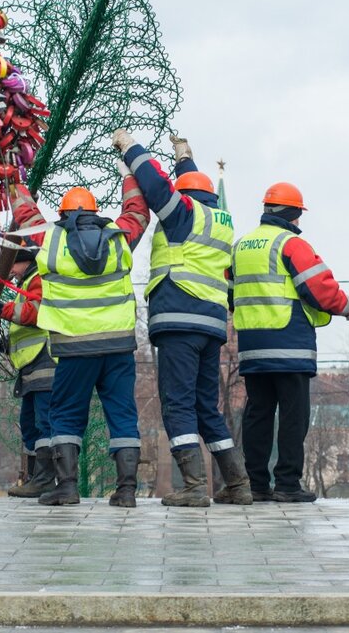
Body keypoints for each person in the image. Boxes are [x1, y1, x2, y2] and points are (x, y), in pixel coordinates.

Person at [114, 129, 251, 506]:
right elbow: (186, 181)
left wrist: (131, 150)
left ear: (184, 194)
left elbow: (155, 185)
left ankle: (193, 486)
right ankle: (238, 484)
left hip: (178, 319)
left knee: (177, 404)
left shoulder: (182, 215)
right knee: (207, 406)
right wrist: (183, 156)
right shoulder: (219, 220)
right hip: (211, 324)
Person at [7, 169, 150, 507]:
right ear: (95, 213)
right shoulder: (118, 237)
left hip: (73, 347)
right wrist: (129, 175)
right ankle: (127, 491)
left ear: (63, 215)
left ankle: (67, 488)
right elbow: (137, 213)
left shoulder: (50, 238)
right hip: (118, 346)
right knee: (123, 414)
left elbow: (25, 213)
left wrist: (12, 176)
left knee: (66, 415)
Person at [230, 182, 349, 502]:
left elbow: (231, 295)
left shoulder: (241, 246)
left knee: (257, 413)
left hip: (252, 347)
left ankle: (256, 484)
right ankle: (287, 483)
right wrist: (347, 307)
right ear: (294, 214)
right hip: (289, 345)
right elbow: (320, 288)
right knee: (292, 415)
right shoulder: (291, 244)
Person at [0, 240, 57, 498]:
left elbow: (36, 313)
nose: (10, 271)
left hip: (45, 363)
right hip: (32, 365)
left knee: (44, 423)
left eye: (12, 264)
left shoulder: (39, 277)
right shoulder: (27, 281)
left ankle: (45, 479)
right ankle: (37, 478)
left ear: (24, 258)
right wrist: (9, 343)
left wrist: (1, 308)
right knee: (30, 423)